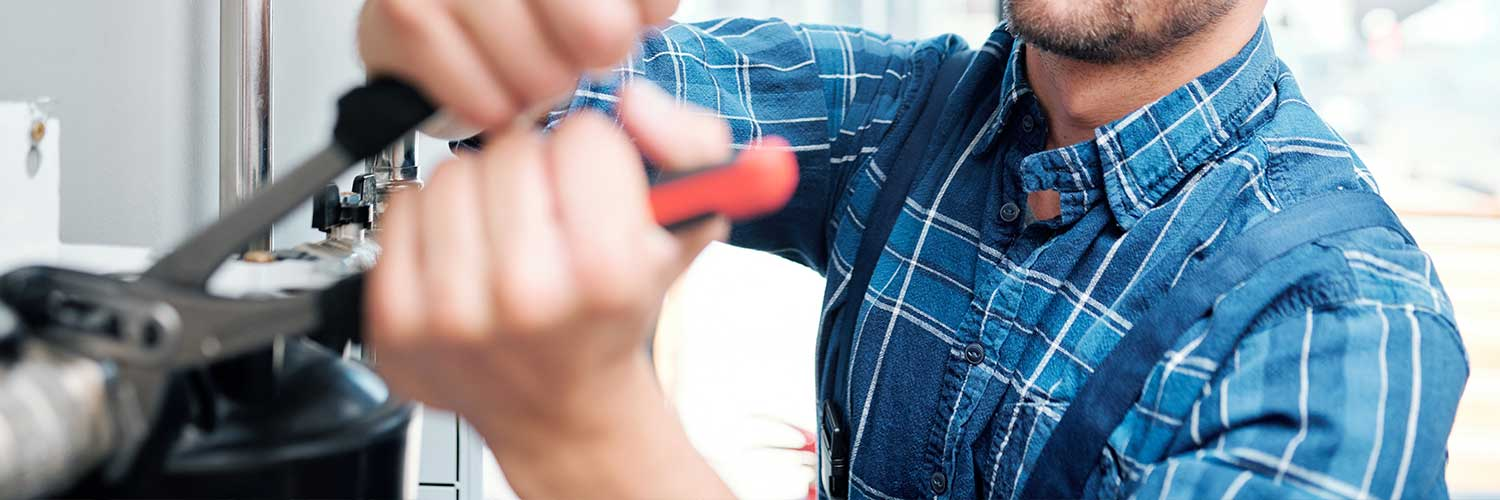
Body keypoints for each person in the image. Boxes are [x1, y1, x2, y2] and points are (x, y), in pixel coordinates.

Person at [355, 0, 1470, 498]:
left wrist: (589, 439)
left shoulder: (1344, 329)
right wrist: (457, 46)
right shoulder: (912, 110)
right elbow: (552, 87)